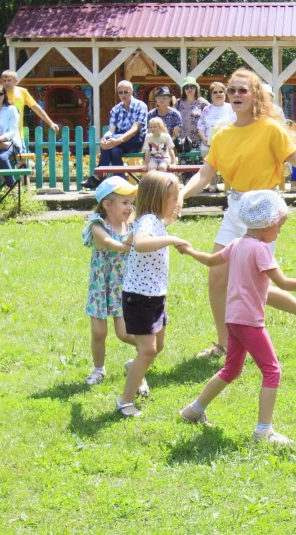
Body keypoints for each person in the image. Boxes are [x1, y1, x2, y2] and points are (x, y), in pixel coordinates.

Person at [177, 68, 296, 361]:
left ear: (254, 96)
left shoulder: (270, 129)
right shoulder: (222, 133)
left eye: (242, 91)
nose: (236, 95)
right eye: (232, 90)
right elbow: (205, 173)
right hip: (236, 207)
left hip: (264, 210)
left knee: (253, 287)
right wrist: (180, 194)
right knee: (217, 279)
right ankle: (225, 345)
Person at [178, 191, 296, 443]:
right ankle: (263, 431)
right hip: (249, 322)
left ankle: (193, 410)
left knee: (231, 369)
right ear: (268, 223)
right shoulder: (260, 250)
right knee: (272, 371)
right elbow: (282, 282)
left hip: (233, 320)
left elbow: (209, 260)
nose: (280, 232)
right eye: (280, 226)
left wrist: (190, 250)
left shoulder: (237, 244)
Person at [116, 171, 191, 417]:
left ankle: (134, 366)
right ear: (158, 199)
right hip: (140, 296)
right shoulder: (148, 221)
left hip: (155, 295)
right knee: (147, 350)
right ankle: (125, 400)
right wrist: (171, 239)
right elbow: (140, 243)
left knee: (156, 347)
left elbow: (131, 240)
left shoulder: (153, 221)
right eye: (174, 197)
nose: (177, 202)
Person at [82, 176, 138, 386]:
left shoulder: (130, 226)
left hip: (123, 288)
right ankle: (98, 369)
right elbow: (107, 243)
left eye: (131, 203)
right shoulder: (98, 225)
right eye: (125, 203)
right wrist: (131, 244)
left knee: (124, 333)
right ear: (107, 204)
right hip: (101, 286)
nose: (130, 208)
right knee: (98, 332)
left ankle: (144, 354)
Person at [81, 81, 148, 189]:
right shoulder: (115, 109)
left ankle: (97, 176)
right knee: (114, 150)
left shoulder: (141, 106)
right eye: (120, 93)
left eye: (125, 92)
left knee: (112, 144)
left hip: (135, 140)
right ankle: (121, 180)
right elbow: (111, 131)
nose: (123, 95)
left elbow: (135, 129)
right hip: (117, 141)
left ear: (132, 92)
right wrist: (104, 138)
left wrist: (118, 140)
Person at [196, 82, 235, 193]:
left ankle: (228, 185)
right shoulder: (207, 109)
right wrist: (203, 138)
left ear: (225, 93)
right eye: (215, 92)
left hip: (227, 142)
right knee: (205, 151)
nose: (218, 94)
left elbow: (237, 125)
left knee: (228, 160)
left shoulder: (231, 108)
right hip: (209, 142)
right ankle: (212, 182)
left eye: (220, 92)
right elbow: (200, 126)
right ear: (211, 95)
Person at [1, 70, 61, 139]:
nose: (6, 83)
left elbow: (36, 108)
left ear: (15, 81)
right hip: (1, 134)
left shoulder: (22, 92)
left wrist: (51, 123)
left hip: (17, 135)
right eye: (4, 81)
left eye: (9, 80)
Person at [175, 77, 210, 151]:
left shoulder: (203, 103)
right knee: (183, 162)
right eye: (187, 87)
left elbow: (210, 116)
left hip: (199, 140)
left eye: (192, 87)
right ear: (183, 90)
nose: (189, 89)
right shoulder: (178, 103)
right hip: (182, 140)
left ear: (196, 88)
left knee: (199, 162)